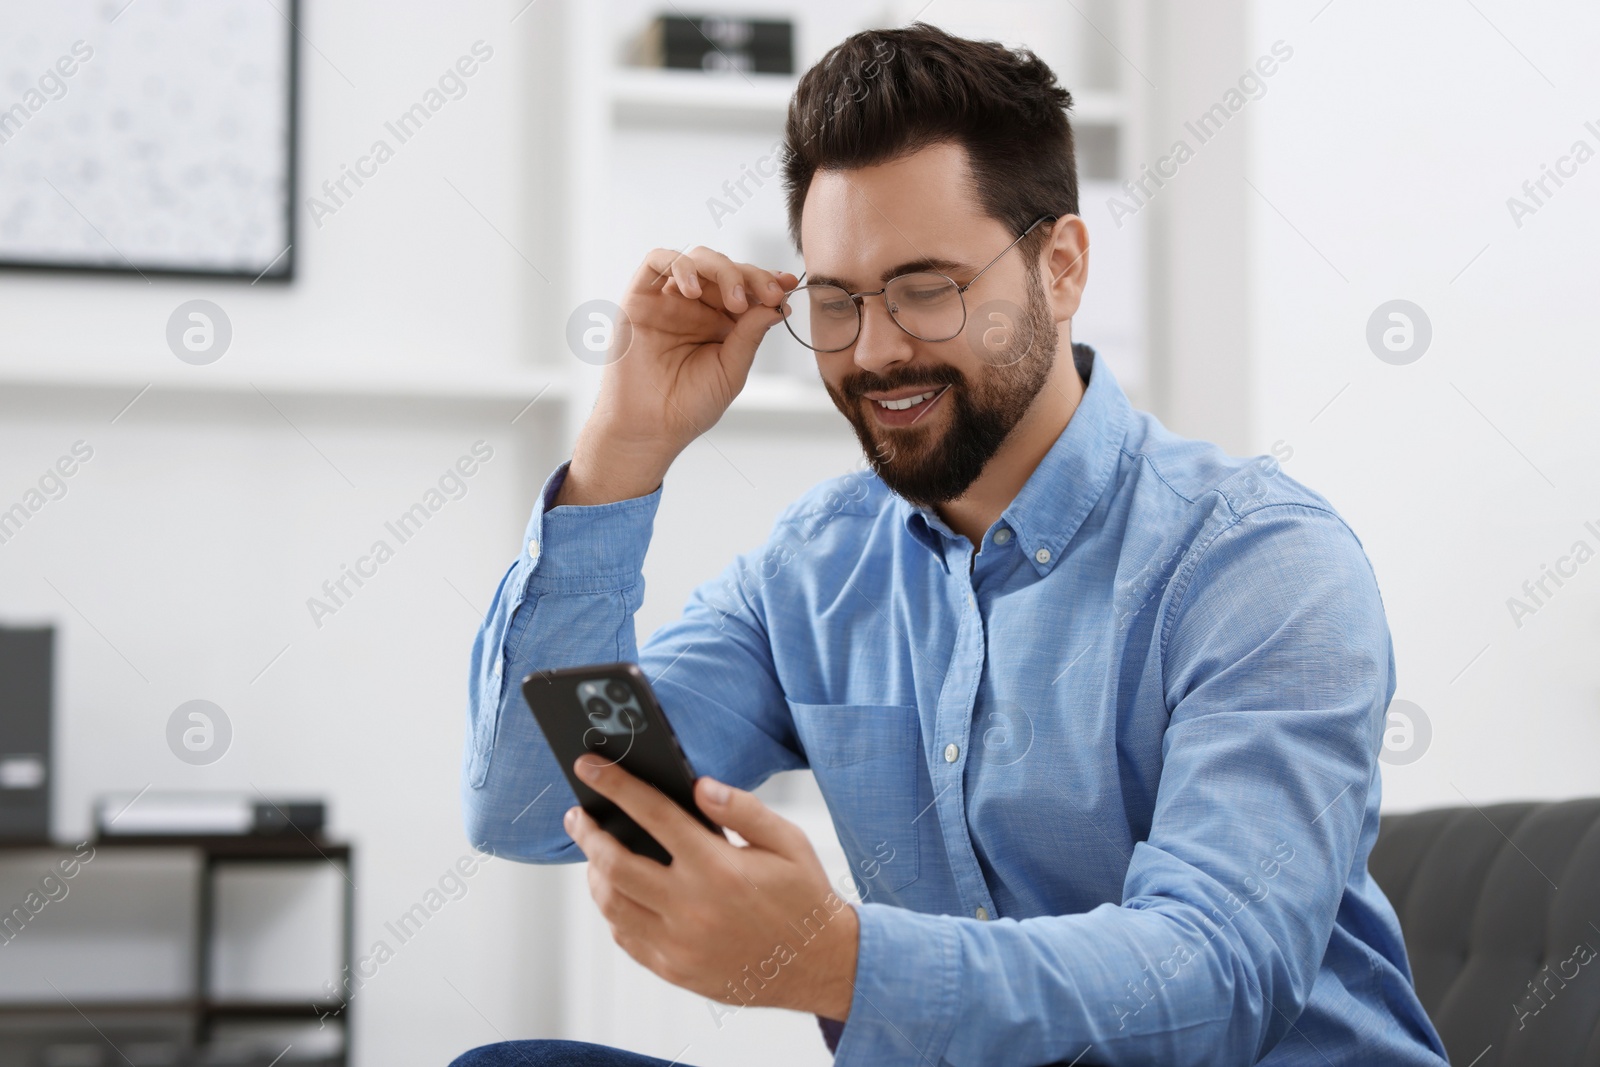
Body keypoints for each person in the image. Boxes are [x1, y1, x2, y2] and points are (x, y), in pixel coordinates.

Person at [452, 22, 1450, 1067]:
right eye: (835, 302)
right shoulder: (816, 572)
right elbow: (531, 804)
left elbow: (1215, 976)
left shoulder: (1259, 563)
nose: (877, 349)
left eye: (926, 289)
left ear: (1060, 267)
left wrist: (837, 960)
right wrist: (621, 455)